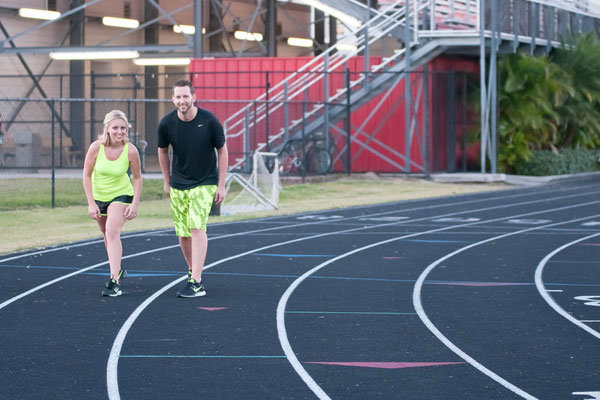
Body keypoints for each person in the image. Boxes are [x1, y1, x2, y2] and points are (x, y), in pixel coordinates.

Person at [158, 79, 228, 298]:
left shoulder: (209, 121)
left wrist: (221, 184)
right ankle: (193, 272)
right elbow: (162, 151)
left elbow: (222, 150)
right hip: (179, 183)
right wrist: (167, 181)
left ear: (193, 97)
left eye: (185, 96)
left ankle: (196, 281)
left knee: (197, 226)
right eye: (178, 97)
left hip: (205, 181)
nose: (182, 101)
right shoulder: (166, 123)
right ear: (173, 99)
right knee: (183, 233)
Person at [83, 110, 142, 297]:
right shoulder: (95, 147)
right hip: (99, 195)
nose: (119, 131)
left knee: (112, 231)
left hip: (122, 194)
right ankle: (117, 267)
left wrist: (135, 204)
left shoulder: (131, 150)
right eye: (115, 127)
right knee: (105, 233)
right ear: (107, 128)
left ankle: (114, 280)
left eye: (123, 128)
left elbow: (138, 178)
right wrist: (91, 203)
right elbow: (86, 175)